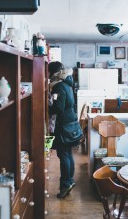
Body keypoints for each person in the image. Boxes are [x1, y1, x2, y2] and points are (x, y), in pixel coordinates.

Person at [48, 61, 79, 199]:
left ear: (52, 73)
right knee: (68, 154)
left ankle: (65, 184)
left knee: (64, 155)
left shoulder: (58, 87)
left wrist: (46, 108)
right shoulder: (67, 84)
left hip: (63, 125)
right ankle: (70, 181)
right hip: (70, 123)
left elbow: (58, 108)